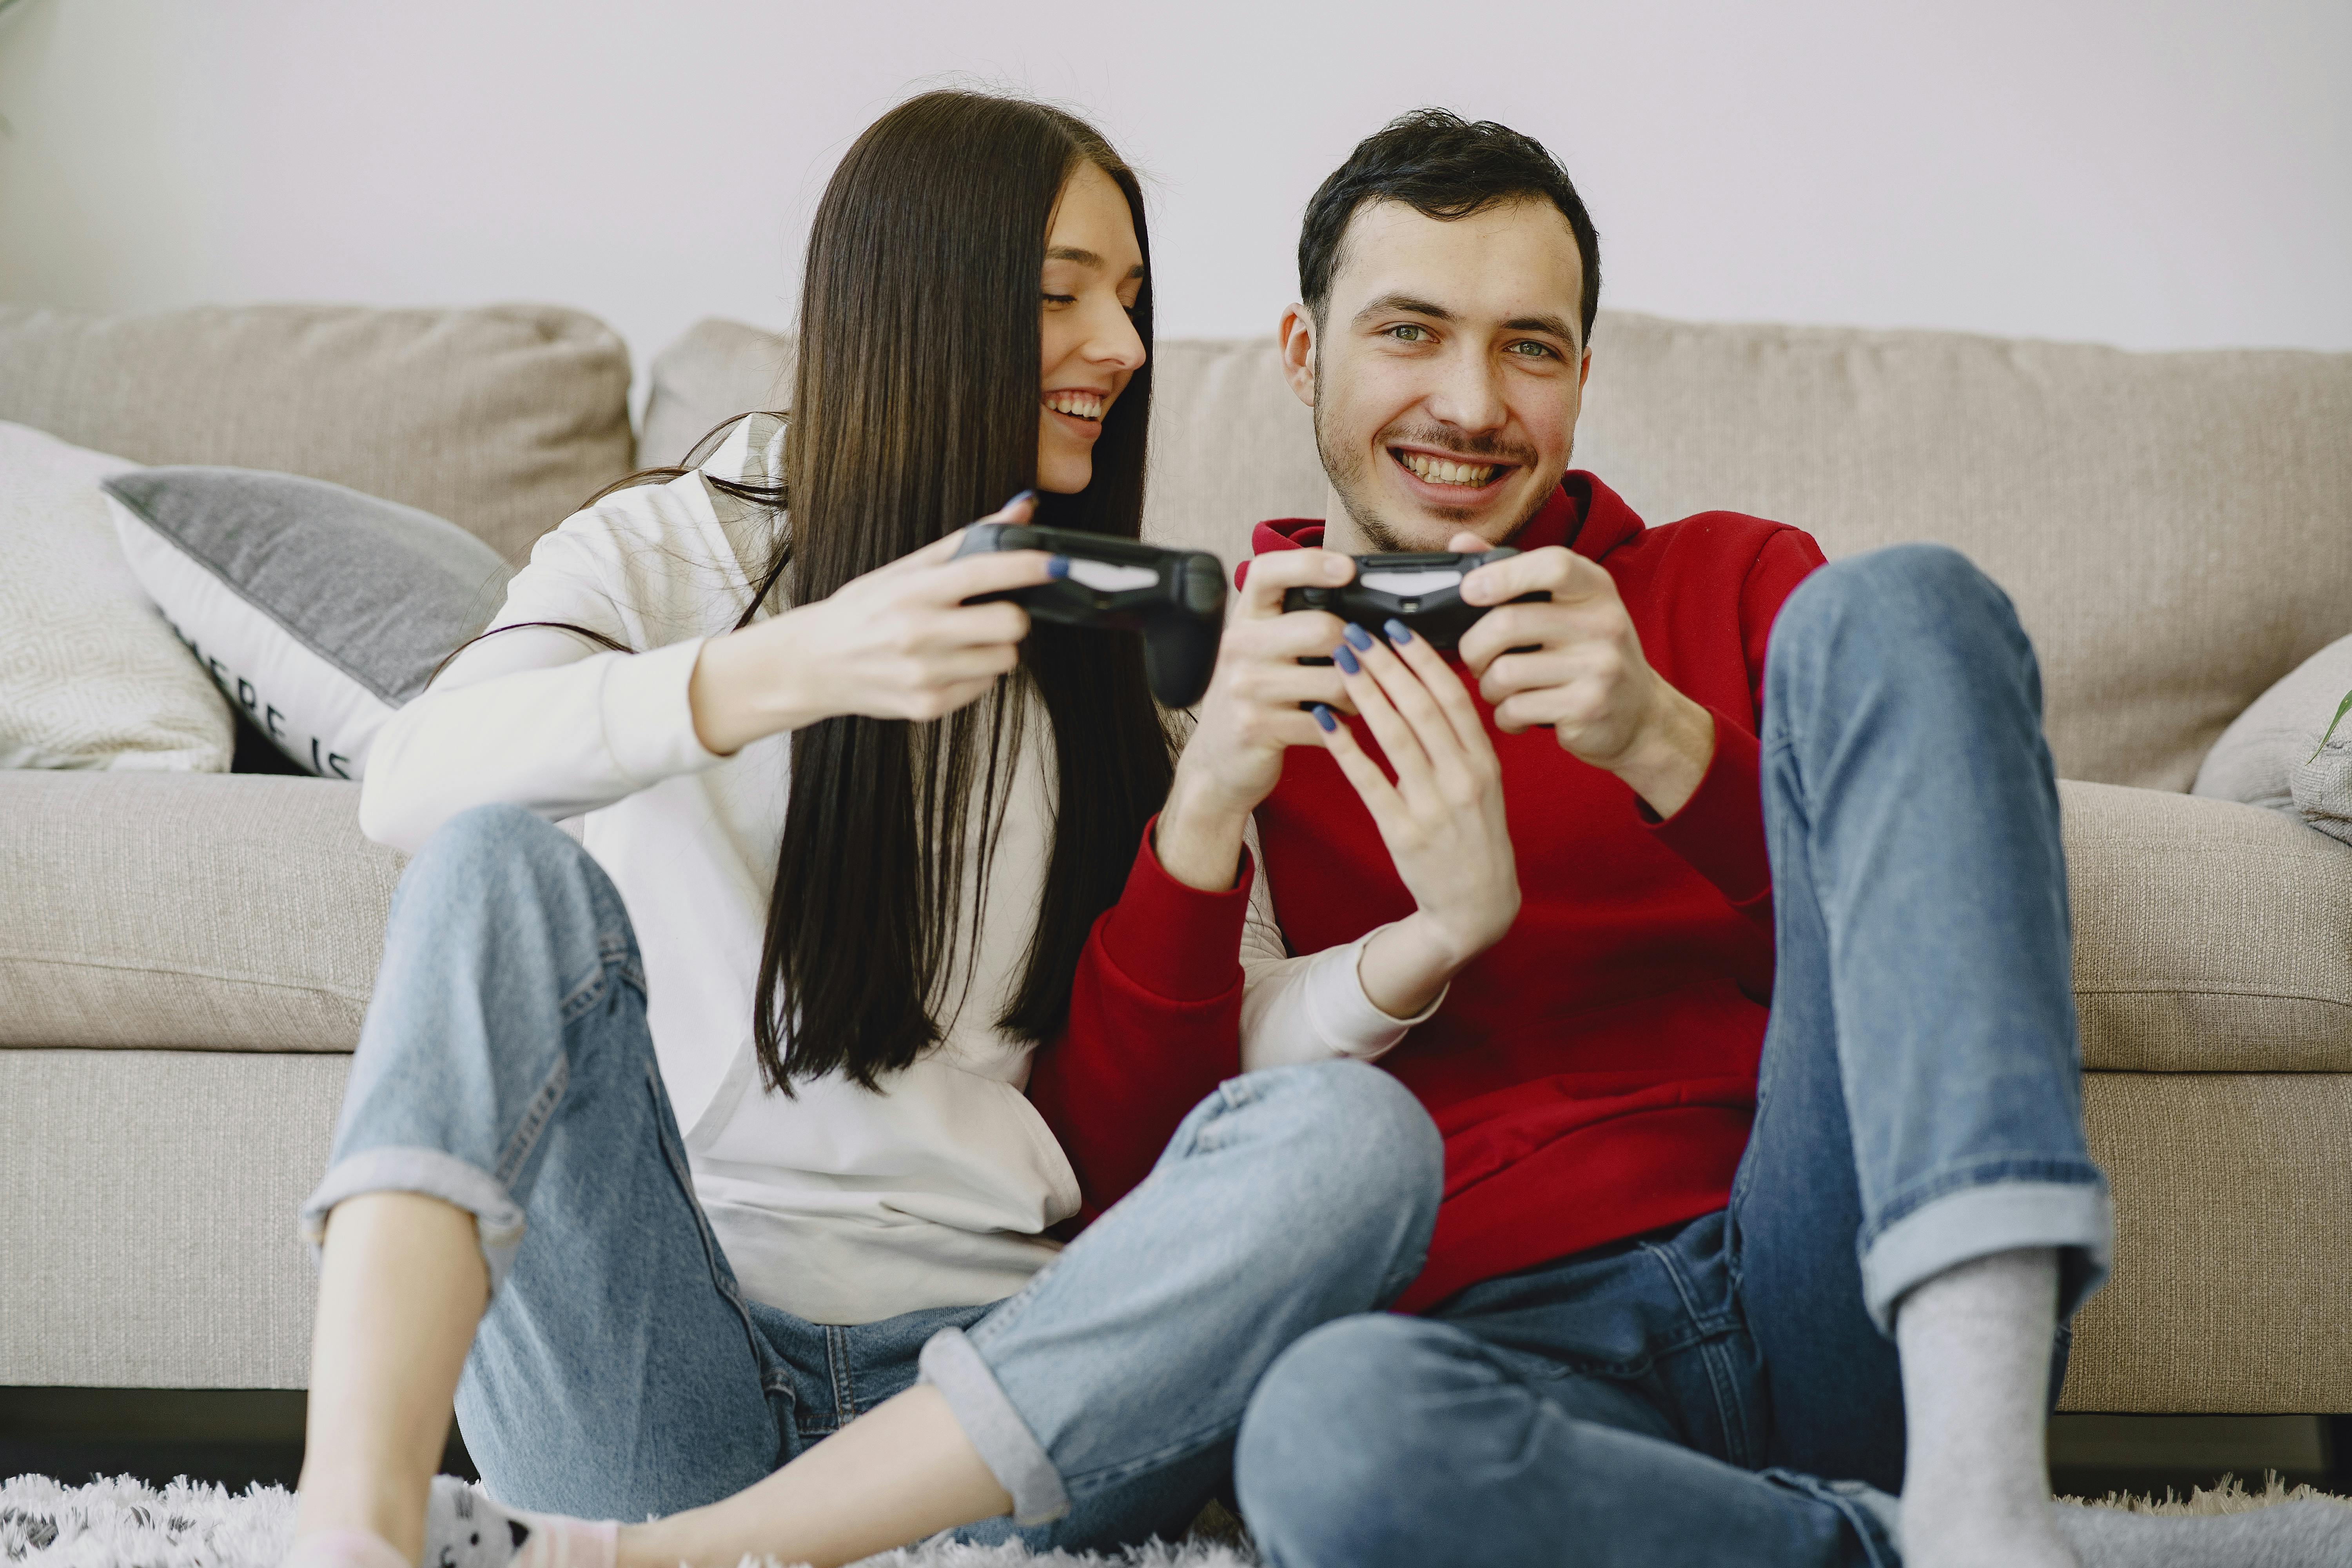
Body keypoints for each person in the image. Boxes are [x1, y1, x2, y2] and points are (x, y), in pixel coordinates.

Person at [1065, 111, 2350, 1566]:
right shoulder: (1222, 671)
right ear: (1303, 354)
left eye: (1529, 349)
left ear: (1583, 377)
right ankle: (1910, 1549)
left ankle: (1983, 1487)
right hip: (1497, 1351)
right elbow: (1124, 1200)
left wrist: (1663, 744)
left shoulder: (1732, 584)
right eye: (1410, 332)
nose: (1472, 404)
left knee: (1908, 602)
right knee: (1323, 1434)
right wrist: (1211, 801)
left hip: (1822, 1268)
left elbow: (1947, 932)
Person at [279, 91, 1442, 1568]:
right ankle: (351, 1531)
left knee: (1354, 1142)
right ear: (920, 303)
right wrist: (793, 666)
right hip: (663, 1377)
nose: (1128, 351)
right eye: (1064, 297)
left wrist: (1420, 949)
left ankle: (673, 1565)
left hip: (991, 1408)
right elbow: (414, 785)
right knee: (487, 866)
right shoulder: (676, 552)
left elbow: (1232, 1028)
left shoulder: (1113, 651)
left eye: (1134, 301)